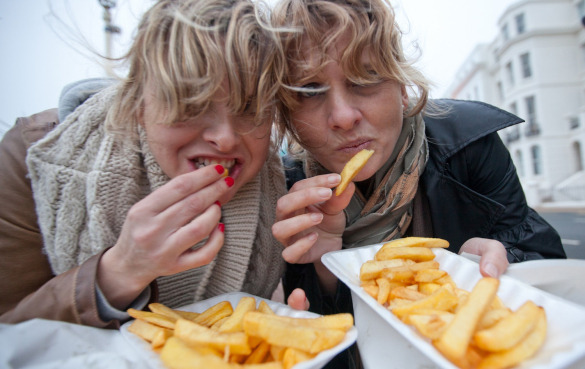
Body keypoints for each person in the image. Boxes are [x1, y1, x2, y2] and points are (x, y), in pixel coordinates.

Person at [269, 0, 566, 366]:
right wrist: (325, 264)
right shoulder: (285, 194)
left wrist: (496, 265)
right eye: (310, 91)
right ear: (287, 116)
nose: (343, 117)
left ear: (401, 86)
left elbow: (550, 266)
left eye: (365, 78)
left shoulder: (469, 146)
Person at [0, 0, 288, 328]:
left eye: (250, 107)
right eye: (192, 102)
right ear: (138, 104)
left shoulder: (282, 187)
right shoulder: (32, 158)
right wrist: (117, 274)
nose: (225, 138)